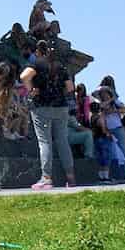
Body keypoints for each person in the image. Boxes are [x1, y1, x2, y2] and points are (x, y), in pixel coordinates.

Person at [21, 39, 76, 189]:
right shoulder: (60, 66)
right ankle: (70, 178)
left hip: (42, 107)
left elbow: (24, 77)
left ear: (38, 51)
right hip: (61, 107)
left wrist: (31, 90)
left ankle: (46, 178)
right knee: (63, 141)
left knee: (45, 141)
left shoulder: (37, 64)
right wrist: (59, 92)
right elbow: (70, 87)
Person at [92, 78, 125, 182]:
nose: (104, 95)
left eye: (106, 93)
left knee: (123, 151)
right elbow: (100, 108)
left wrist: (114, 109)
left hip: (117, 129)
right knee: (110, 154)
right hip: (106, 131)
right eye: (102, 93)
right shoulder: (99, 104)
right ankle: (115, 175)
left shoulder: (116, 102)